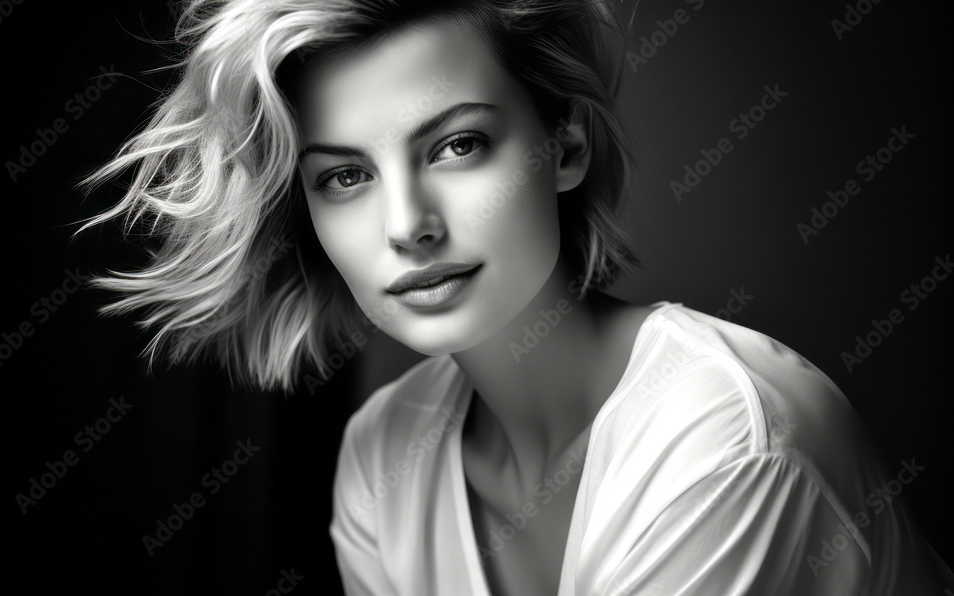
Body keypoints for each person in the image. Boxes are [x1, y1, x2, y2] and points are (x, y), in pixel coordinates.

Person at [80, 0, 953, 594]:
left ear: (564, 147)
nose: (408, 224)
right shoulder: (383, 455)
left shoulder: (724, 442)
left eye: (457, 146)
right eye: (345, 175)